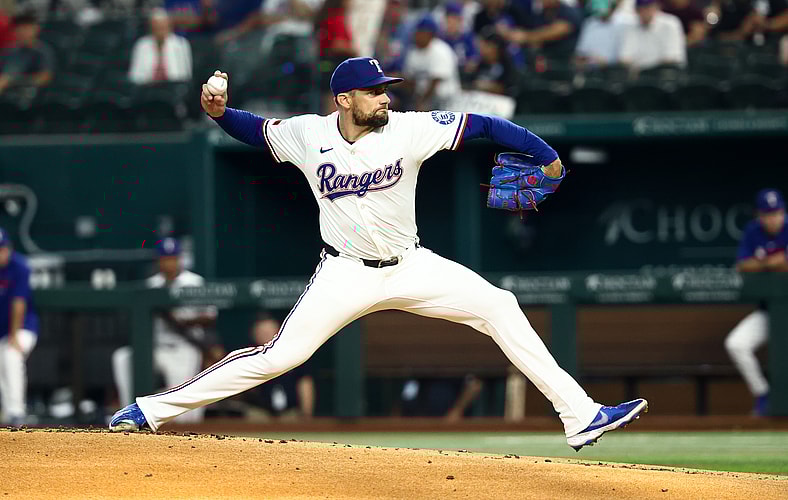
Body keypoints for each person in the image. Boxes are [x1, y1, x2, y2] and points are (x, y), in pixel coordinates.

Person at [110, 56, 648, 451]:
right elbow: (254, 131)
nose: (385, 98)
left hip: (411, 265)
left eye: (385, 89)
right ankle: (148, 410)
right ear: (344, 100)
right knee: (280, 357)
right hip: (344, 273)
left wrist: (545, 154)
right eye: (373, 92)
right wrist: (219, 112)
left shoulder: (409, 129)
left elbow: (485, 125)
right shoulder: (308, 135)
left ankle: (579, 416)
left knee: (499, 305)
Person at [111, 238, 220, 424]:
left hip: (183, 347)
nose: (169, 263)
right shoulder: (151, 285)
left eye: (172, 258)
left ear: (179, 259)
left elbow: (211, 316)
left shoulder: (194, 282)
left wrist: (182, 319)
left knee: (186, 416)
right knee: (123, 357)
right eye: (165, 258)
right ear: (158, 261)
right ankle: (129, 414)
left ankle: (185, 432)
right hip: (155, 348)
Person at [724, 189, 787, 417]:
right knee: (736, 344)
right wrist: (772, 262)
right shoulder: (753, 231)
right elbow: (742, 265)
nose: (773, 219)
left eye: (777, 213)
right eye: (768, 214)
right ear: (760, 215)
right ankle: (763, 395)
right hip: (770, 312)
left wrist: (764, 262)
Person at [238, 313, 315, 421]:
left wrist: (306, 413)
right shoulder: (247, 357)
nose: (266, 336)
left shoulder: (294, 354)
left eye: (269, 332)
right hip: (258, 412)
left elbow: (304, 382)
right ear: (254, 334)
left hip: (290, 413)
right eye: (262, 333)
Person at [0, 227, 38, 426]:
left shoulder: (19, 266)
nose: (1, 253)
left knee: (11, 355)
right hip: (2, 331)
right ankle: (8, 415)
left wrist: (14, 335)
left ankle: (16, 413)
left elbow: (19, 304)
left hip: (22, 328)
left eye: (3, 249)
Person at [401, 16, 461, 110]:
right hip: (423, 97)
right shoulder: (413, 52)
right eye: (417, 32)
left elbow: (436, 81)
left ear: (430, 35)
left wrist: (422, 102)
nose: (417, 35)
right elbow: (410, 80)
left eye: (421, 33)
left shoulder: (441, 50)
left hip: (446, 100)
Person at [128, 8, 193, 85]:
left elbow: (186, 74)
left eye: (163, 27)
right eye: (157, 28)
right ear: (151, 28)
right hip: (147, 87)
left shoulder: (181, 44)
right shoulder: (141, 45)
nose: (160, 31)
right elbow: (134, 75)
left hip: (174, 87)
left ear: (169, 27)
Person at [619, 0, 686, 72]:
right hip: (639, 74)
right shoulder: (631, 25)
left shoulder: (670, 23)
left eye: (647, 8)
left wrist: (643, 67)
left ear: (656, 7)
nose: (644, 12)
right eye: (640, 9)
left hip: (666, 73)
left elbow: (672, 58)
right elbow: (624, 58)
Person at [0, 11, 54, 97]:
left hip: (26, 95)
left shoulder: (42, 52)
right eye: (19, 28)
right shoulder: (9, 51)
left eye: (26, 28)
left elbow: (44, 78)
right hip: (5, 93)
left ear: (36, 29)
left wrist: (14, 81)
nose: (22, 31)